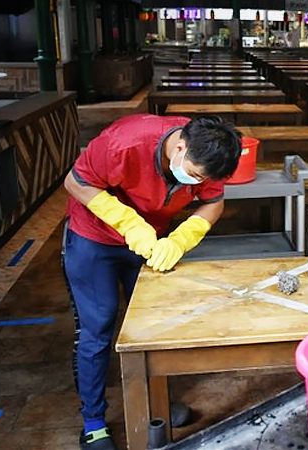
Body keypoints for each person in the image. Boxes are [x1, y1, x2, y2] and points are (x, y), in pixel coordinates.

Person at [63, 114, 241, 450]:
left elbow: (213, 202)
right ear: (180, 147)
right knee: (98, 328)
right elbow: (75, 182)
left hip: (151, 242)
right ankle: (94, 422)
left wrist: (181, 239)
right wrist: (127, 222)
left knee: (150, 326)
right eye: (195, 175)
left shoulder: (208, 156)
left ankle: (153, 406)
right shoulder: (123, 143)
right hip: (94, 240)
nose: (195, 182)